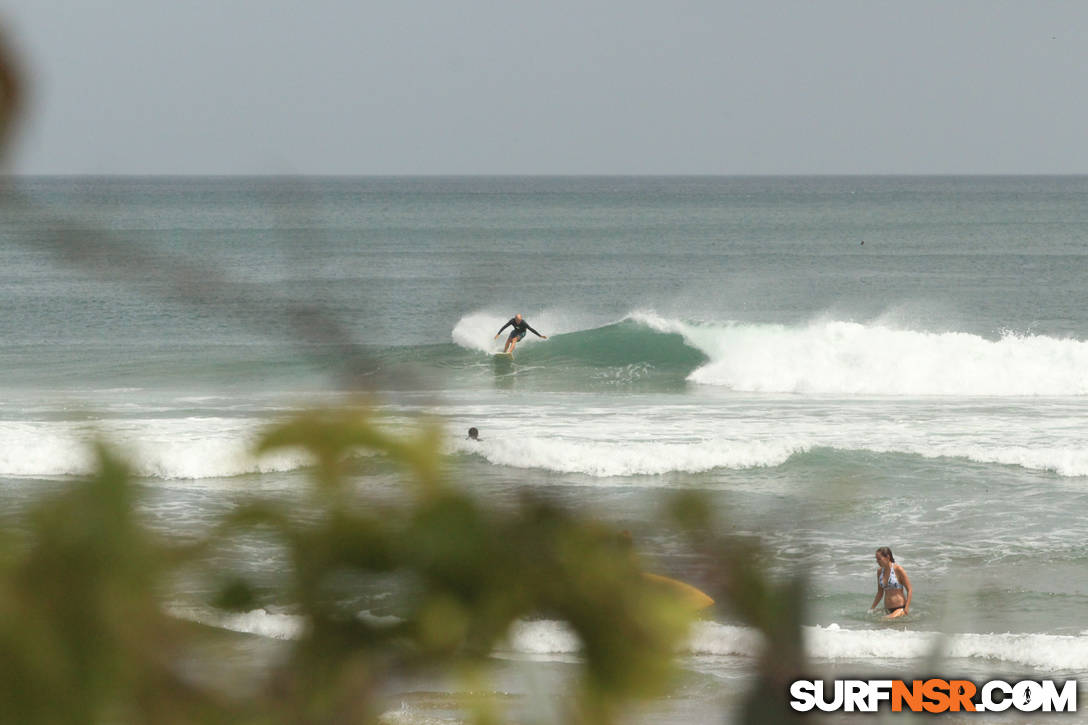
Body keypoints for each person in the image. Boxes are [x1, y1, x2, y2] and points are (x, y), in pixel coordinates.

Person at [870, 546, 912, 619]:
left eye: (879, 559)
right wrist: (872, 608)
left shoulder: (898, 569)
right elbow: (880, 593)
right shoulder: (880, 572)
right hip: (887, 609)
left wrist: (906, 608)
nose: (877, 561)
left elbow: (909, 589)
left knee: (883, 620)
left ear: (887, 557)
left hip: (900, 608)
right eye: (876, 559)